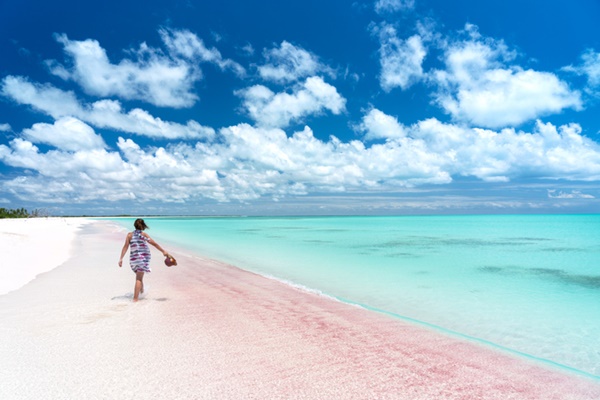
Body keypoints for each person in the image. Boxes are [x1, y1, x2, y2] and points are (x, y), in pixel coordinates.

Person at [118, 218, 170, 302]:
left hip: (133, 259)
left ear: (134, 225)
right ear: (143, 226)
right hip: (142, 259)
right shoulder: (144, 235)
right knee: (139, 278)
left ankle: (141, 293)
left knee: (139, 277)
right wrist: (163, 251)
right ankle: (135, 299)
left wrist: (121, 258)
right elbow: (154, 244)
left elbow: (125, 247)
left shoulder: (129, 235)